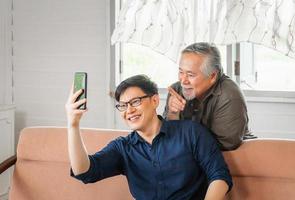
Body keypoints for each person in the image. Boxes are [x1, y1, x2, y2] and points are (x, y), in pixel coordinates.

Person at [65, 74, 232, 200]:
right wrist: (73, 125)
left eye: (135, 101)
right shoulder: (122, 148)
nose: (129, 110)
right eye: (123, 106)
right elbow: (84, 171)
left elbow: (219, 175)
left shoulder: (191, 133)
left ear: (154, 101)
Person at [163, 42, 254, 151]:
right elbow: (168, 139)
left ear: (212, 76)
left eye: (191, 75)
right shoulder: (176, 91)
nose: (183, 81)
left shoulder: (229, 96)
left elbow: (225, 146)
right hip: (191, 158)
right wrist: (173, 114)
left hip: (237, 158)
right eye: (181, 72)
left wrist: (182, 141)